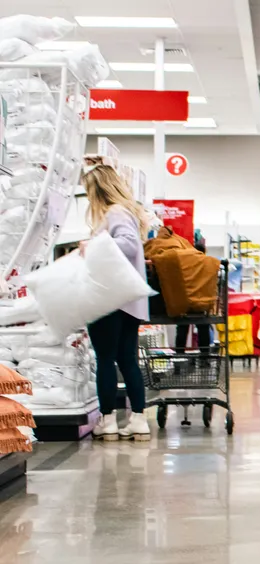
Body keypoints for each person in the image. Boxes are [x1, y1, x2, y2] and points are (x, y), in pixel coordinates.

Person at [83, 164, 152, 442]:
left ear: (97, 190)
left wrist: (92, 247)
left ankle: (108, 420)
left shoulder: (114, 213)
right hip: (128, 301)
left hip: (109, 299)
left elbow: (128, 245)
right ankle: (138, 420)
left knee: (106, 360)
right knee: (128, 361)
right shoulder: (127, 213)